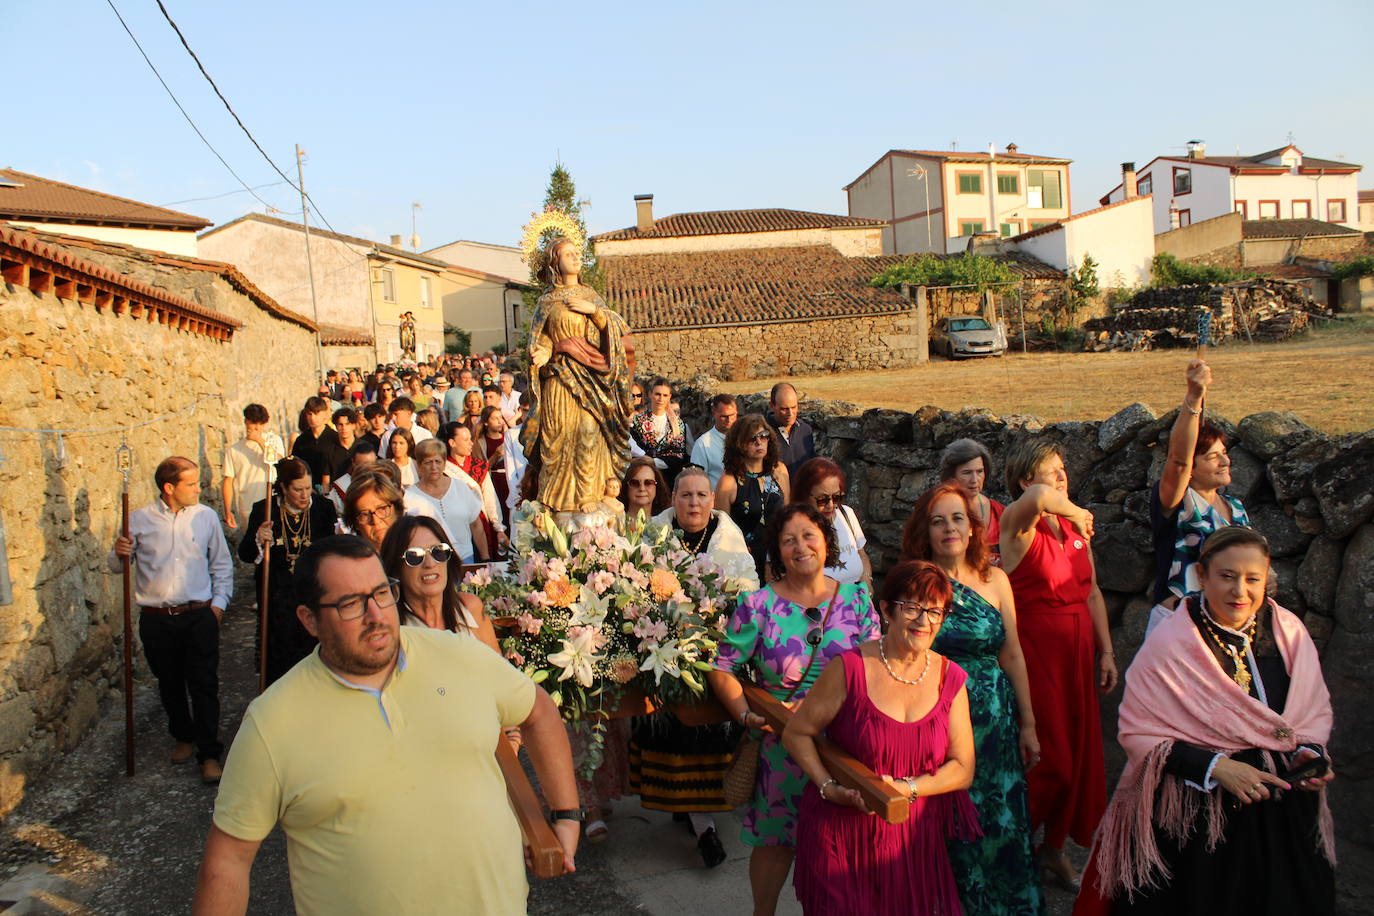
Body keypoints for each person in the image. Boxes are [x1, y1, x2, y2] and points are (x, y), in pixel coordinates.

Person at [192, 536, 581, 915]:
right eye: (350, 604)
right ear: (309, 620)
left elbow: (537, 710)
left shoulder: (459, 655)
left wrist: (567, 814)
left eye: (382, 593)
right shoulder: (272, 722)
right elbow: (229, 859)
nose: (376, 615)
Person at [1079, 527, 1336, 915]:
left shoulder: (1290, 634)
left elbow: (1311, 711)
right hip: (1199, 819)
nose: (1240, 592)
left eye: (1253, 579)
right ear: (1202, 575)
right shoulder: (1172, 644)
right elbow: (1139, 732)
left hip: (1281, 808)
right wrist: (1218, 767)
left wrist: (1307, 754)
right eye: (1227, 576)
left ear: (1267, 579)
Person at [708, 504, 879, 916]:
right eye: (788, 540)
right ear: (777, 552)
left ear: (826, 541)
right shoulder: (758, 605)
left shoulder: (856, 599)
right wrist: (744, 714)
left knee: (842, 843)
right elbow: (723, 666)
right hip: (782, 747)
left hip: (844, 746)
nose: (800, 546)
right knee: (775, 842)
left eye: (809, 535)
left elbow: (876, 663)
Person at [784, 559, 978, 916]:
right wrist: (828, 787)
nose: (924, 622)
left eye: (935, 611)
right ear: (886, 610)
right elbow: (797, 733)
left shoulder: (950, 679)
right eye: (912, 608)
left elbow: (963, 768)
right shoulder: (849, 668)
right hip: (839, 832)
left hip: (909, 840)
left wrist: (905, 789)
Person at [902, 483, 1043, 915]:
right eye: (938, 520)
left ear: (972, 526)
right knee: (951, 824)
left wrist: (1029, 724)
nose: (949, 528)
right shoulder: (916, 583)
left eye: (957, 518)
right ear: (925, 530)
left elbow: (1012, 652)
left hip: (997, 723)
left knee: (999, 820)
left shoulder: (996, 579)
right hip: (940, 720)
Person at [619, 468, 759, 866]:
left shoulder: (728, 535)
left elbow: (748, 583)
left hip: (713, 651)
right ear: (674, 498)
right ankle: (690, 812)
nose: (694, 503)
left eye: (701, 495)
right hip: (663, 647)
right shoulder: (656, 530)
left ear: (712, 500)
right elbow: (635, 582)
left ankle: (703, 820)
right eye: (686, 496)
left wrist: (719, 603)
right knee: (673, 732)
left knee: (705, 733)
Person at [999, 437, 1118, 891]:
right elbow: (1036, 500)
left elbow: (1091, 592)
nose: (1062, 477)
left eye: (1064, 468)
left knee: (1081, 758)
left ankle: (1053, 850)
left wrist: (1106, 650)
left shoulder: (1075, 532)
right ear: (1027, 479)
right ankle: (1013, 845)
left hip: (1078, 657)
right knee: (1050, 761)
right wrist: (1069, 508)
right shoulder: (1018, 526)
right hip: (1038, 658)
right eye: (1052, 470)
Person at [108, 457, 232, 784]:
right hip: (157, 619)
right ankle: (182, 735)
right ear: (169, 488)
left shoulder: (205, 517)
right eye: (190, 484)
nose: (198, 489)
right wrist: (119, 552)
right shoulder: (138, 521)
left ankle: (209, 753)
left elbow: (221, 564)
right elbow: (118, 566)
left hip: (198, 615)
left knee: (204, 684)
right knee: (170, 682)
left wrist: (217, 606)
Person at [520, 236, 634, 514]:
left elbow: (620, 333)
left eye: (576, 253)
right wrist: (543, 353)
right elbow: (541, 338)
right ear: (555, 263)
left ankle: (588, 494)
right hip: (558, 380)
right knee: (556, 435)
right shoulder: (546, 301)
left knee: (587, 432)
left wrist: (595, 313)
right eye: (567, 254)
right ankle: (554, 501)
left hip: (591, 381)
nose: (574, 257)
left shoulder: (591, 296)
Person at [1148, 359, 1250, 633]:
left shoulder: (1237, 509)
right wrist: (1194, 398)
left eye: (1224, 454)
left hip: (1226, 627)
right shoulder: (1177, 502)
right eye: (1213, 457)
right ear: (1191, 470)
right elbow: (1178, 459)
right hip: (1179, 626)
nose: (1225, 462)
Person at [238, 457, 338, 685]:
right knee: (280, 665)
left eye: (307, 488)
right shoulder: (265, 510)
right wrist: (258, 539)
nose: (305, 495)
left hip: (314, 597)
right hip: (277, 601)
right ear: (283, 487)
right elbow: (245, 554)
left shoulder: (323, 509)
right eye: (297, 489)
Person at [378, 514, 499, 649]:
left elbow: (499, 669)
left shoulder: (472, 608)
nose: (430, 564)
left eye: (438, 551)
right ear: (396, 568)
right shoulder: (388, 630)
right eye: (414, 556)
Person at [716, 413, 791, 583]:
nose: (759, 442)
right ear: (739, 444)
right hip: (745, 562)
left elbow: (787, 516)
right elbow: (722, 533)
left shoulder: (780, 471)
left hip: (778, 557)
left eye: (764, 436)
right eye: (752, 438)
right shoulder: (728, 482)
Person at [405, 438, 486, 564]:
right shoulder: (409, 497)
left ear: (444, 463)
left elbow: (476, 525)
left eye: (438, 461)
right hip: (430, 562)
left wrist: (485, 558)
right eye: (428, 462)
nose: (434, 467)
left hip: (465, 559)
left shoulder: (461, 487)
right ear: (419, 465)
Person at [792, 458, 870, 588]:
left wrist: (867, 581)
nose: (831, 505)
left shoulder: (846, 513)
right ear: (804, 496)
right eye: (822, 499)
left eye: (837, 497)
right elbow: (776, 574)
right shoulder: (791, 526)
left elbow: (861, 553)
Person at [939, 437, 1005, 564]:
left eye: (979, 471)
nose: (974, 480)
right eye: (967, 473)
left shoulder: (999, 512)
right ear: (952, 475)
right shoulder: (939, 511)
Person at [221, 404, 285, 532]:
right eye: (253, 423)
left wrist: (259, 441)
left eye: (260, 424)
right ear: (246, 422)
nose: (257, 427)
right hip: (248, 505)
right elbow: (228, 480)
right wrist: (227, 510)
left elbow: (279, 461)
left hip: (273, 502)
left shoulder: (274, 441)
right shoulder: (234, 450)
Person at [445, 424, 506, 557]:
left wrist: (498, 526)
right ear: (452, 443)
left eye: (470, 439)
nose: (471, 443)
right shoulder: (443, 469)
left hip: (480, 525)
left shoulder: (479, 467)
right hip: (454, 527)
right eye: (466, 440)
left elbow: (490, 498)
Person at [630, 377, 692, 486]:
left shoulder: (678, 425)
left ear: (670, 397)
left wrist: (650, 461)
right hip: (642, 480)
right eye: (657, 394)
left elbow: (677, 455)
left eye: (665, 395)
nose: (660, 399)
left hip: (669, 481)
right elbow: (631, 450)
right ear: (650, 394)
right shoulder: (637, 421)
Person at [289, 397, 345, 492]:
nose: (313, 418)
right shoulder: (301, 441)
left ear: (325, 413)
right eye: (309, 414)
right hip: (307, 491)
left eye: (316, 413)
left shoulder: (335, 438)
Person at [342, 467, 405, 550]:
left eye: (382, 509)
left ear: (397, 509)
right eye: (365, 514)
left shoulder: (420, 553)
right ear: (355, 523)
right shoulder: (348, 562)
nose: (375, 520)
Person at [690, 394, 738, 488]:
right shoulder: (702, 444)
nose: (729, 420)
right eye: (724, 416)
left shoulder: (747, 438)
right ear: (714, 413)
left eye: (732, 415)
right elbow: (697, 480)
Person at [767, 383, 815, 476]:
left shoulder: (805, 431)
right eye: (784, 409)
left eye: (794, 407)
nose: (790, 413)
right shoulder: (763, 435)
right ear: (772, 406)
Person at [476, 406, 511, 531]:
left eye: (500, 418)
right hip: (494, 481)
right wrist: (495, 456)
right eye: (495, 418)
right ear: (486, 422)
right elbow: (479, 470)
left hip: (509, 480)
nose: (499, 421)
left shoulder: (508, 437)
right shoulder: (480, 442)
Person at [329, 439, 378, 516]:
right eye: (363, 465)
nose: (368, 469)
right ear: (353, 463)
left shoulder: (382, 484)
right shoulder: (340, 488)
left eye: (371, 464)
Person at [621, 456, 669, 525]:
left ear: (657, 487)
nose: (642, 488)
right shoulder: (613, 523)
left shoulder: (667, 525)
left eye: (648, 483)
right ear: (626, 487)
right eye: (634, 483)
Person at [330, 407, 359, 480]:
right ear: (336, 426)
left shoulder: (363, 447)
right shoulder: (329, 451)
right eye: (340, 424)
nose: (344, 428)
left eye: (347, 424)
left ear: (354, 425)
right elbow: (326, 481)